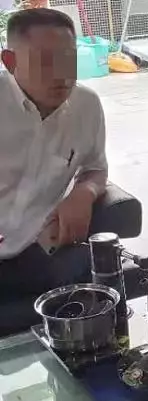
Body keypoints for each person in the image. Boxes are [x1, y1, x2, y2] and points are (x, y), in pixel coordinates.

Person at [0, 8, 108, 297]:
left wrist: (85, 191)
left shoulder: (86, 106)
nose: (61, 76)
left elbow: (96, 167)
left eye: (68, 60)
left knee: (103, 285)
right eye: (45, 62)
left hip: (40, 248)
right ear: (10, 62)